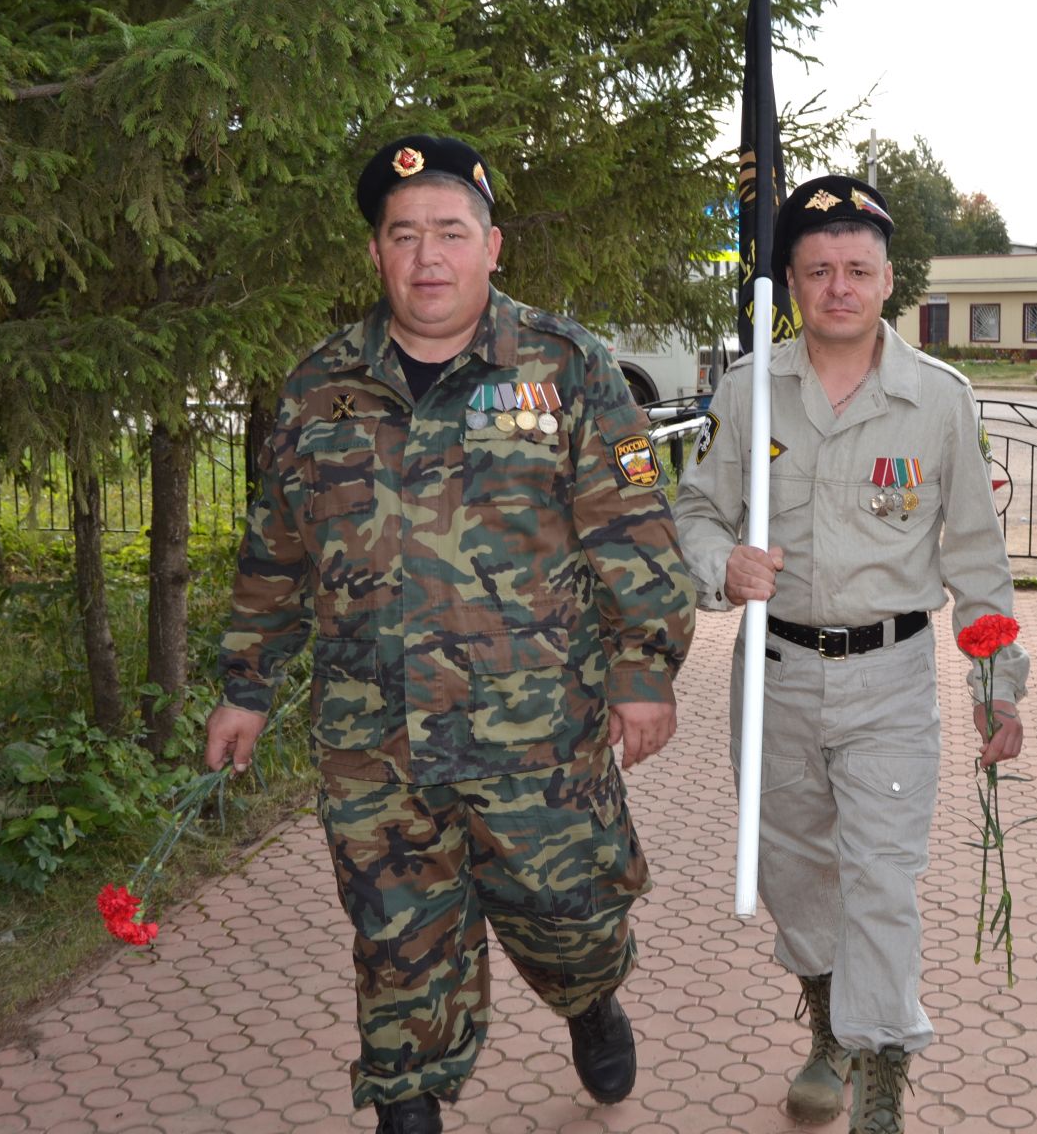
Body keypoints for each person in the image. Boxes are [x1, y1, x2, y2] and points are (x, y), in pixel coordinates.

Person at [204, 134, 697, 1134]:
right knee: (397, 943)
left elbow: (634, 531)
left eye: (449, 232)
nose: (428, 255)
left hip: (537, 732)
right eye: (403, 235)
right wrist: (245, 686)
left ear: (492, 245)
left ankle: (590, 995)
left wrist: (645, 670)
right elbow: (275, 554)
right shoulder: (318, 388)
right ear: (377, 254)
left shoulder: (570, 369)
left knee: (567, 919)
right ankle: (408, 1096)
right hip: (371, 735)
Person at [674, 174, 1028, 1134]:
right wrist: (722, 565)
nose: (840, 287)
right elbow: (695, 512)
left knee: (881, 882)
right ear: (790, 281)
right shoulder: (750, 393)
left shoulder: (939, 402)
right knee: (794, 874)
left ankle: (879, 1087)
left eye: (858, 270)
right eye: (819, 269)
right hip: (774, 675)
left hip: (890, 681)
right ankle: (829, 1023)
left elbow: (977, 561)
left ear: (887, 280)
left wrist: (997, 685)